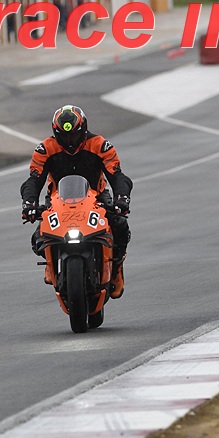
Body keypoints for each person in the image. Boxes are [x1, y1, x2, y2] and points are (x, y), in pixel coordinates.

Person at [20, 104, 132, 298]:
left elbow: (117, 176)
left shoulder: (100, 145)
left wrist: (121, 199)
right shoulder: (45, 149)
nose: (69, 141)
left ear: (84, 130)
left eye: (74, 135)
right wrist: (29, 204)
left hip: (97, 197)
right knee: (38, 236)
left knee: (120, 225)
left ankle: (116, 268)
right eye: (64, 137)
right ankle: (50, 263)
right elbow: (33, 180)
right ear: (56, 134)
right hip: (57, 200)